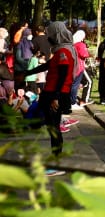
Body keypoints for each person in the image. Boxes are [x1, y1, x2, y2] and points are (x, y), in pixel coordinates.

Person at [29, 21, 76, 156]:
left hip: (56, 93)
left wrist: (56, 97)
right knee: (50, 126)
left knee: (53, 127)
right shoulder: (61, 51)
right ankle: (56, 157)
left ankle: (56, 160)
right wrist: (26, 74)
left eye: (50, 35)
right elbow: (47, 66)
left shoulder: (63, 52)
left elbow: (63, 75)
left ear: (57, 35)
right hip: (51, 92)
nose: (48, 38)